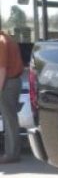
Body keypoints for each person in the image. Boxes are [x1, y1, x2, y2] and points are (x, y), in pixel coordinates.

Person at [0, 26, 25, 164]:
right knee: (10, 118)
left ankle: (11, 154)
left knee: (9, 119)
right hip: (14, 81)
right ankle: (12, 152)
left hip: (7, 83)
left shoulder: (1, 42)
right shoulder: (9, 39)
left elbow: (1, 69)